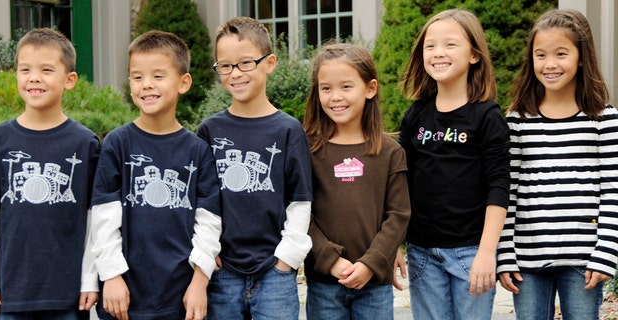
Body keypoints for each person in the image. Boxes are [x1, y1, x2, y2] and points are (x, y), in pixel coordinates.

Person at [89, 30, 222, 320]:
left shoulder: (198, 151)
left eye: (158, 76)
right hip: (124, 295)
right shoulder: (116, 144)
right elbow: (103, 219)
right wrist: (111, 276)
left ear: (183, 82)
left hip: (181, 294)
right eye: (137, 77)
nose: (146, 85)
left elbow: (209, 223)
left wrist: (200, 282)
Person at [496, 9, 618, 319]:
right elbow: (507, 192)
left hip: (583, 259)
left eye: (561, 53)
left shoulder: (603, 119)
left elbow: (613, 191)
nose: (550, 64)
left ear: (580, 57)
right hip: (527, 260)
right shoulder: (518, 121)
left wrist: (605, 254)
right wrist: (505, 254)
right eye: (540, 55)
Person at [0, 28, 100, 319]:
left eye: (46, 70)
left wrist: (90, 278)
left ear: (69, 80)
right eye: (25, 69)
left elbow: (96, 218)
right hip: (11, 293)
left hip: (69, 295)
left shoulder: (84, 143)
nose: (34, 77)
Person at [397, 9, 511, 320]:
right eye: (429, 46)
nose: (438, 53)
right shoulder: (416, 115)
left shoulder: (487, 116)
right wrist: (394, 243)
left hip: (472, 253)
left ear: (474, 55)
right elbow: (398, 184)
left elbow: (499, 188)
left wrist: (488, 253)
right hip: (421, 252)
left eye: (450, 44)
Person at [197, 16, 312, 320]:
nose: (235, 74)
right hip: (223, 272)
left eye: (246, 63)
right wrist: (208, 253)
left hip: (274, 272)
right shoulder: (210, 130)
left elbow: (299, 201)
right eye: (225, 65)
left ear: (270, 63)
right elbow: (202, 201)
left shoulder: (288, 130)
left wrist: (286, 260)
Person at [302, 42, 411, 320]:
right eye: (326, 88)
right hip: (325, 282)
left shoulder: (390, 152)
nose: (335, 96)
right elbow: (300, 213)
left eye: (346, 86)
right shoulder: (308, 150)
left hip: (373, 284)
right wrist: (331, 261)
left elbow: (398, 215)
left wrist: (371, 263)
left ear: (370, 88)